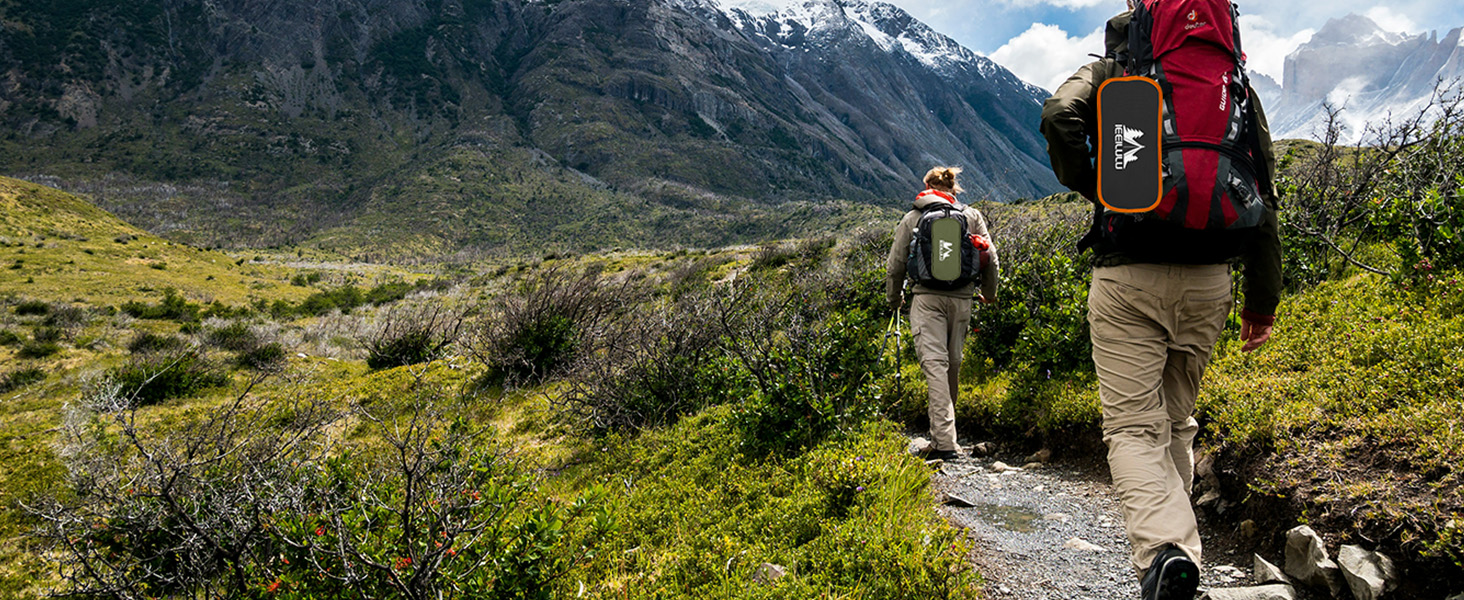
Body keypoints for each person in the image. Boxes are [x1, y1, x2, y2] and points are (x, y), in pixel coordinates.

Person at [1039, 3, 1282, 599]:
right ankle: (1181, 562)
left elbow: (1058, 114)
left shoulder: (1115, 71)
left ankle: (1166, 552)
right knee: (1176, 420)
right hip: (1211, 281)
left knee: (1131, 427)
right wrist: (1262, 303)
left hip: (1129, 275)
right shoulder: (1234, 85)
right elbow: (1262, 189)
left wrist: (1098, 184)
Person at [885, 166, 1000, 461]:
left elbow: (896, 264)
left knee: (935, 365)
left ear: (927, 187)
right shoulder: (971, 216)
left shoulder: (913, 217)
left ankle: (945, 442)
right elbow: (991, 258)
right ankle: (945, 435)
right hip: (962, 300)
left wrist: (895, 299)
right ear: (953, 188)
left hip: (927, 300)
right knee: (952, 365)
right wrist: (989, 294)